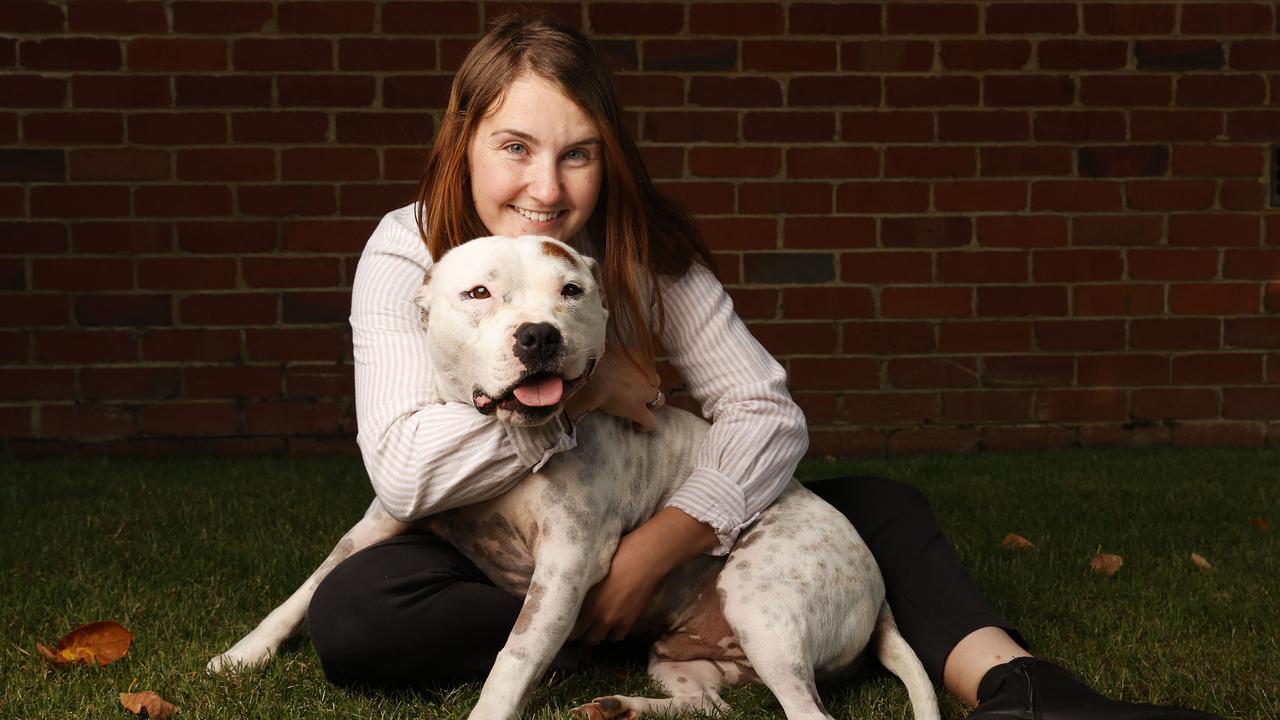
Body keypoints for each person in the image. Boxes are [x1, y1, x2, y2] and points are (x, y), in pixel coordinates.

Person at [307, 13, 1221, 720]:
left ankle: (1020, 688)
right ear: (462, 139)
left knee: (877, 507)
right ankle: (601, 637)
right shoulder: (408, 252)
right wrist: (584, 395)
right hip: (500, 545)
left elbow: (765, 413)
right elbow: (404, 468)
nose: (547, 190)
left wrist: (654, 552)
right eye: (515, 148)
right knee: (359, 613)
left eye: (578, 154)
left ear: (608, 158)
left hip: (651, 537)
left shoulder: (639, 251)